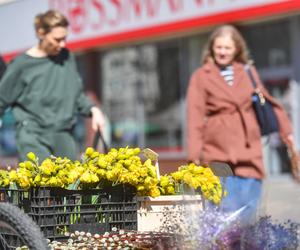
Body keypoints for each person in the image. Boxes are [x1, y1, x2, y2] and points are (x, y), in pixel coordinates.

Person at [186, 25, 299, 218]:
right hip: (217, 152)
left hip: (249, 150)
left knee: (248, 214)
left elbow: (267, 101)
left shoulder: (247, 71)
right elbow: (194, 117)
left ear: (237, 49)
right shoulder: (201, 76)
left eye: (227, 48)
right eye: (218, 47)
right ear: (212, 48)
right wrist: (194, 157)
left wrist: (288, 136)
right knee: (222, 215)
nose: (222, 52)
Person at [0, 10, 105, 162]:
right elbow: (2, 99)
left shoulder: (67, 57)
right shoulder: (21, 65)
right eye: (57, 39)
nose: (62, 44)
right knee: (42, 183)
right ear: (41, 33)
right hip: (33, 137)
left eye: (65, 38)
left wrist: (93, 109)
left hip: (64, 136)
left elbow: (77, 95)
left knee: (69, 184)